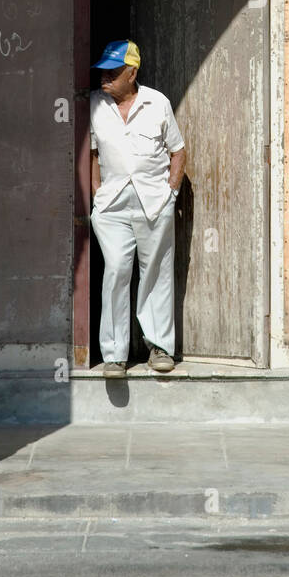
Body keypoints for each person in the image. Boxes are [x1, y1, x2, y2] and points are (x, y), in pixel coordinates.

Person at [89, 39, 186, 378]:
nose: (104, 79)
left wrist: (170, 193)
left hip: (153, 201)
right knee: (115, 270)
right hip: (112, 205)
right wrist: (97, 194)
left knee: (157, 272)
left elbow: (178, 151)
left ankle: (159, 347)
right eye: (102, 73)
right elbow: (91, 154)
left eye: (112, 73)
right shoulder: (95, 105)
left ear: (131, 73)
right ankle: (114, 354)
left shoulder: (156, 102)